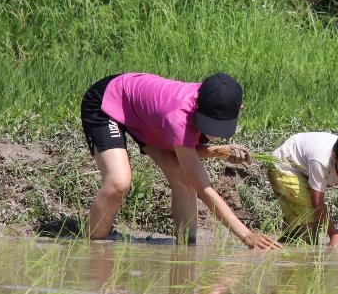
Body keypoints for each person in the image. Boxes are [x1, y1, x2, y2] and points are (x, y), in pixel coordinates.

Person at [81, 72, 280, 249]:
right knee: (118, 182)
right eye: (208, 125)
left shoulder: (208, 103)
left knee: (183, 181)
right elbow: (202, 186)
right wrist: (246, 235)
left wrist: (220, 151)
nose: (212, 133)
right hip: (108, 102)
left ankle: (186, 250)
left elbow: (184, 149)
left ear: (241, 109)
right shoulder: (178, 116)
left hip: (150, 122)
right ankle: (92, 247)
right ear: (198, 105)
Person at [268, 128, 338, 245]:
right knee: (310, 233)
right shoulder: (321, 160)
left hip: (305, 171)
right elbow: (317, 203)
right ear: (335, 158)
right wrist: (334, 234)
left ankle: (282, 251)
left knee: (295, 232)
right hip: (285, 167)